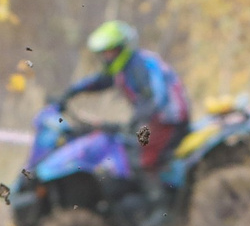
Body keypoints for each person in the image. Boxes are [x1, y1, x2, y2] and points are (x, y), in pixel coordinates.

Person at [59, 19, 192, 177]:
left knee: (140, 159)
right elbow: (100, 81)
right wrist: (71, 93)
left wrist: (132, 123)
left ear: (122, 48)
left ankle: (157, 200)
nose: (107, 57)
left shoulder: (139, 65)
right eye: (104, 53)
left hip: (169, 120)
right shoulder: (125, 67)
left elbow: (154, 100)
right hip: (156, 120)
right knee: (126, 148)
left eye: (110, 51)